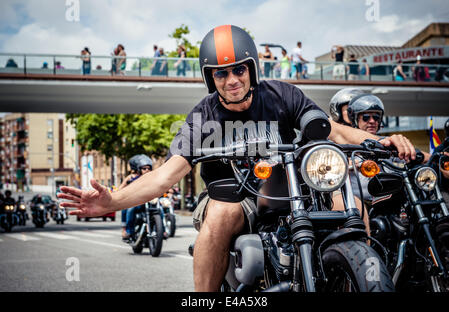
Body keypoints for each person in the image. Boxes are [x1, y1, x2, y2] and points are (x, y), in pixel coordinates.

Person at [58, 25, 416, 292]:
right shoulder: (203, 116)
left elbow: (336, 131)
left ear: (252, 69)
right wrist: (113, 200)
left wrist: (381, 141)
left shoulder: (282, 95)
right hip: (234, 195)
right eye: (221, 73)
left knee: (346, 195)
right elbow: (165, 175)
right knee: (221, 212)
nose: (231, 80)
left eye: (238, 70)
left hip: (289, 190)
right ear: (210, 77)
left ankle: (357, 274)